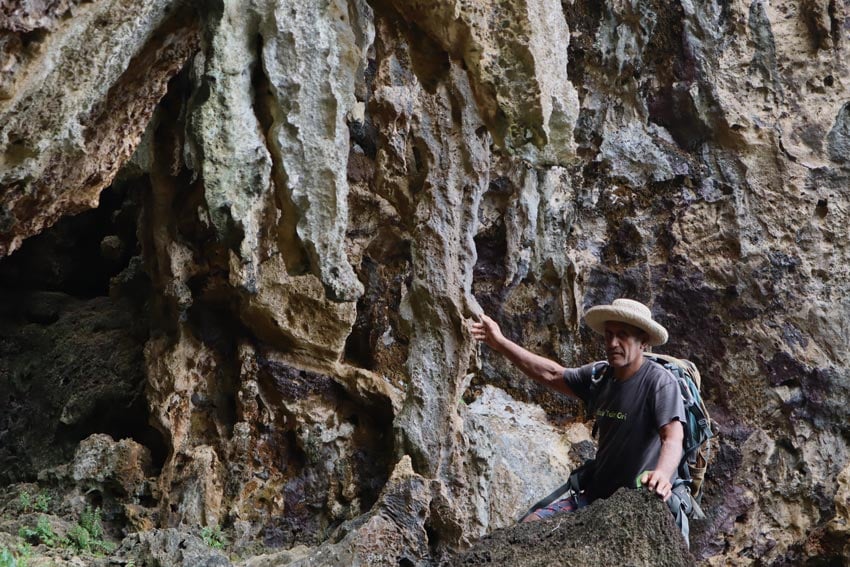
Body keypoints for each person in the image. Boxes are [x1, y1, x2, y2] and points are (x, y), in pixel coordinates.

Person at [471, 298, 686, 521]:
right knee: (531, 524)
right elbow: (551, 374)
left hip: (636, 499)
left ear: (642, 341)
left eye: (622, 335)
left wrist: (662, 474)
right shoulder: (599, 376)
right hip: (596, 497)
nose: (612, 343)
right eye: (609, 334)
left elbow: (672, 437)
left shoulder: (659, 382)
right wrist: (500, 343)